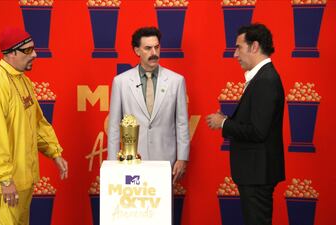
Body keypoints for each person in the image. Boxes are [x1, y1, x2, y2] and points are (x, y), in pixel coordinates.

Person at [0, 27, 68, 225]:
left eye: (33, 49)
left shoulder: (23, 81)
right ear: (11, 53)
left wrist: (55, 152)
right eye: (27, 50)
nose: (34, 54)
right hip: (4, 187)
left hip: (23, 182)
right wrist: (5, 179)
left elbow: (37, 123)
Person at [206, 23, 285, 225]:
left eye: (239, 47)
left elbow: (258, 131)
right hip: (255, 172)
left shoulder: (265, 79)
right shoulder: (262, 76)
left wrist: (223, 123)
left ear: (254, 46)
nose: (235, 54)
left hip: (257, 173)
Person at [107, 26, 190, 183]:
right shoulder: (121, 82)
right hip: (131, 162)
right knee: (134, 207)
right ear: (137, 51)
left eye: (156, 47)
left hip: (166, 162)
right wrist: (112, 165)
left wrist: (182, 158)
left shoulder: (176, 81)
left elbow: (182, 123)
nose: (154, 53)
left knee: (163, 207)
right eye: (148, 48)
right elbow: (113, 127)